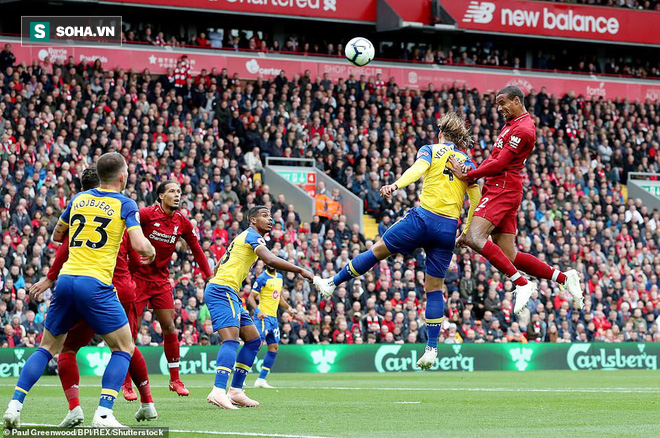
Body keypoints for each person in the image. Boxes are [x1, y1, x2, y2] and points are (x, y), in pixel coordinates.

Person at [314, 112, 481, 370]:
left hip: (423, 218)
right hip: (448, 228)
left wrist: (395, 185)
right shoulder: (468, 162)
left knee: (378, 250)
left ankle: (332, 283)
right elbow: (476, 201)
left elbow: (418, 169)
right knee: (435, 289)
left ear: (440, 134)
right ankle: (432, 349)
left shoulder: (431, 150)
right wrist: (466, 231)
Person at [3, 152, 155, 429]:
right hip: (95, 284)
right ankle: (104, 414)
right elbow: (139, 244)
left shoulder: (78, 199)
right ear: (123, 177)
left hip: (66, 280)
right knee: (123, 347)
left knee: (47, 347)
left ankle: (14, 405)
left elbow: (57, 235)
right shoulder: (125, 203)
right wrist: (151, 250)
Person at [447, 85, 582, 314]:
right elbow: (494, 158)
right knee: (510, 255)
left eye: (503, 103)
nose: (499, 108)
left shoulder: (524, 129)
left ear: (517, 101)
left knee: (475, 238)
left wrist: (468, 175)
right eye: (498, 104)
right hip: (499, 187)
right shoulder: (512, 125)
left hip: (503, 188)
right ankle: (563, 277)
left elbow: (499, 164)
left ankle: (521, 283)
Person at [205, 205, 313, 409]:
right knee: (230, 340)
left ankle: (235, 391)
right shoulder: (252, 236)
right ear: (252, 220)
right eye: (264, 216)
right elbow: (270, 259)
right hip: (222, 290)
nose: (270, 219)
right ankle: (218, 390)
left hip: (229, 291)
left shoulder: (243, 238)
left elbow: (218, 265)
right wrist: (300, 270)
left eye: (271, 216)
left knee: (254, 340)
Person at [132, 181, 213, 397]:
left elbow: (196, 248)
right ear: (160, 196)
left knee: (169, 327)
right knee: (131, 331)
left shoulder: (182, 221)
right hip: (137, 278)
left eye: (179, 191)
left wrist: (208, 275)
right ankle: (125, 382)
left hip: (160, 281)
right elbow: (126, 230)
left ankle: (175, 380)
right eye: (171, 191)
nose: (177, 195)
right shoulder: (146, 215)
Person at [247, 265, 294, 389]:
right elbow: (251, 297)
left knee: (274, 348)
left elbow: (277, 296)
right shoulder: (262, 278)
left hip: (273, 318)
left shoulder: (279, 277)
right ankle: (240, 377)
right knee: (256, 345)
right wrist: (257, 311)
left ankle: (261, 379)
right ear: (266, 264)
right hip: (263, 317)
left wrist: (288, 307)